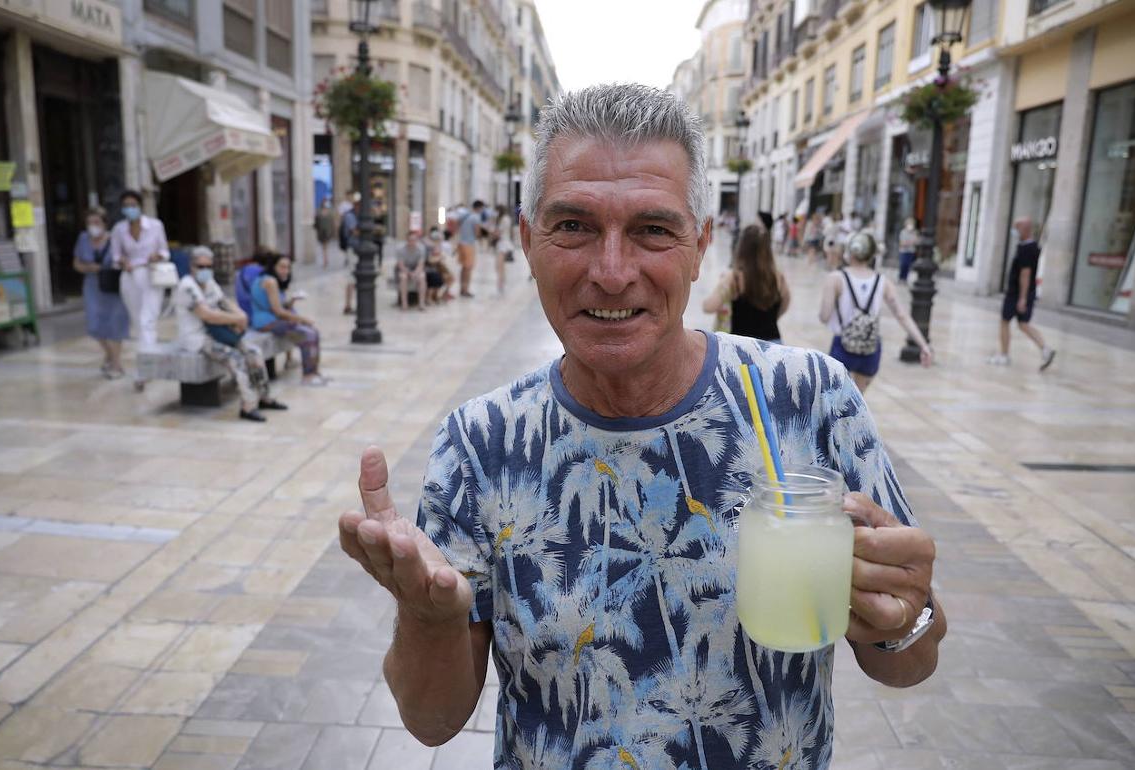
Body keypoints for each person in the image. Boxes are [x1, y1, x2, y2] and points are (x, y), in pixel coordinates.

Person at [338, 83, 944, 769]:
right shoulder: (482, 444)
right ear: (528, 241)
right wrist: (427, 619)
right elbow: (432, 722)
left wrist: (906, 612)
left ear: (700, 245)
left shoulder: (810, 397)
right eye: (573, 226)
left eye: (653, 230)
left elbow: (909, 663)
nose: (612, 272)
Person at [175, 247, 287, 422]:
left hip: (219, 332)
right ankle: (248, 406)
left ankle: (264, 397)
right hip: (198, 339)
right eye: (200, 266)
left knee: (254, 352)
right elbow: (207, 315)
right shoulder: (186, 287)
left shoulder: (210, 283)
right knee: (236, 358)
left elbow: (224, 301)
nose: (205, 270)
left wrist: (240, 315)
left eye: (208, 266)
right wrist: (236, 318)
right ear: (191, 266)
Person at [819, 231, 933, 393]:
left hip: (842, 346)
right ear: (872, 255)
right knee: (857, 400)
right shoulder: (882, 281)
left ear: (849, 252)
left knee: (835, 399)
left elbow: (824, 316)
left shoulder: (836, 278)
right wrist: (924, 345)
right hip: (870, 348)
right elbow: (901, 315)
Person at [109, 190, 171, 389]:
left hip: (150, 275)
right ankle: (149, 363)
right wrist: (123, 261)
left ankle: (143, 370)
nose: (130, 209)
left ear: (140, 206)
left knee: (147, 321)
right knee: (138, 323)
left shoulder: (155, 226)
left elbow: (165, 251)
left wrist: (156, 256)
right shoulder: (119, 229)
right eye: (126, 205)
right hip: (129, 277)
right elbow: (115, 255)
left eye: (133, 205)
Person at [702, 222, 791, 343]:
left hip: (743, 346)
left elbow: (708, 307)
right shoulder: (778, 277)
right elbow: (785, 304)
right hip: (773, 344)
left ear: (742, 248)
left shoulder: (734, 278)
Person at [250, 253, 327, 386]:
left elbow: (278, 306)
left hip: (273, 320)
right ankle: (308, 375)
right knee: (308, 334)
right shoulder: (270, 282)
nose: (286, 271)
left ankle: (314, 372)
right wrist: (302, 319)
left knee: (313, 332)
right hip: (266, 322)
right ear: (273, 266)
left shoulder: (270, 280)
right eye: (282, 267)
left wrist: (292, 301)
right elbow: (278, 311)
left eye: (288, 267)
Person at [989, 217, 1056, 370]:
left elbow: (1025, 274)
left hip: (1017, 293)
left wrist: (1022, 298)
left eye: (1016, 228)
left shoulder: (1026, 249)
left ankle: (1004, 355)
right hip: (1025, 292)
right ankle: (1045, 349)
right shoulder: (1032, 247)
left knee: (1005, 321)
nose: (1014, 231)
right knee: (1023, 324)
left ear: (1024, 229)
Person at [72, 206, 128, 378]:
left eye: (96, 222)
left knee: (115, 324)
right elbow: (76, 263)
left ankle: (116, 364)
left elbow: (124, 259)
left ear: (104, 223)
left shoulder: (115, 239)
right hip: (92, 285)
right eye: (89, 223)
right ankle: (109, 355)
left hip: (112, 285)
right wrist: (88, 268)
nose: (93, 226)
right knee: (94, 324)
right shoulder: (83, 239)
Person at [456, 199, 485, 298]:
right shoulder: (476, 217)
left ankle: (461, 288)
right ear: (479, 208)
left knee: (463, 268)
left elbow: (457, 225)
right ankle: (466, 290)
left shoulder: (464, 214)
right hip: (469, 244)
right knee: (468, 268)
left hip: (461, 243)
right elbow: (477, 233)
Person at [395, 230, 428, 311]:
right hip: (404, 269)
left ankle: (421, 303)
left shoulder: (421, 249)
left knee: (422, 277)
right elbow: (401, 265)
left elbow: (421, 264)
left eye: (414, 240)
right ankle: (404, 304)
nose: (412, 242)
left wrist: (415, 273)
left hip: (416, 269)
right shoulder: (401, 249)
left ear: (417, 240)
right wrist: (409, 273)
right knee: (403, 277)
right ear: (407, 240)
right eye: (410, 240)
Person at [341, 201, 361, 315]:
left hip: (359, 250)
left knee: (358, 279)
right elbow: (354, 231)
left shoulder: (357, 216)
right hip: (353, 250)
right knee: (352, 278)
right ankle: (348, 305)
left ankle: (356, 304)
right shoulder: (350, 216)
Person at [494, 205, 515, 295]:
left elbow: (499, 233)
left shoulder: (504, 219)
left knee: (499, 266)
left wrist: (492, 231)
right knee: (500, 266)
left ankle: (501, 284)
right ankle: (501, 283)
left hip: (503, 244)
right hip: (503, 243)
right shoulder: (506, 218)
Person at [315, 197, 337, 269]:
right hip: (322, 232)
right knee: (324, 247)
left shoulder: (329, 212)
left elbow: (332, 223)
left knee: (325, 246)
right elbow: (316, 223)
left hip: (327, 232)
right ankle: (325, 259)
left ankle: (325, 259)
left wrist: (333, 231)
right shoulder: (319, 212)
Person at [897, 217, 919, 284]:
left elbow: (916, 241)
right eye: (909, 224)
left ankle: (905, 279)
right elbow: (902, 243)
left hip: (911, 252)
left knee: (907, 266)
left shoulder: (915, 232)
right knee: (903, 264)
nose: (910, 226)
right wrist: (910, 243)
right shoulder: (903, 232)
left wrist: (909, 242)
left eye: (911, 224)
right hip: (903, 251)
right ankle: (901, 278)